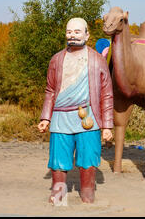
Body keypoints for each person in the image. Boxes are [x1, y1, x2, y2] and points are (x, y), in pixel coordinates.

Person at [37, 17, 114, 204]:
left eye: (77, 31)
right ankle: (59, 192)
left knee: (88, 156)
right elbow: (50, 90)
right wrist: (46, 117)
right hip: (60, 116)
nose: (72, 35)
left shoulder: (97, 60)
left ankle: (87, 191)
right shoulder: (56, 59)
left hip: (88, 116)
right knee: (58, 158)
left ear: (87, 34)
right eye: (69, 32)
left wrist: (107, 125)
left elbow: (106, 94)